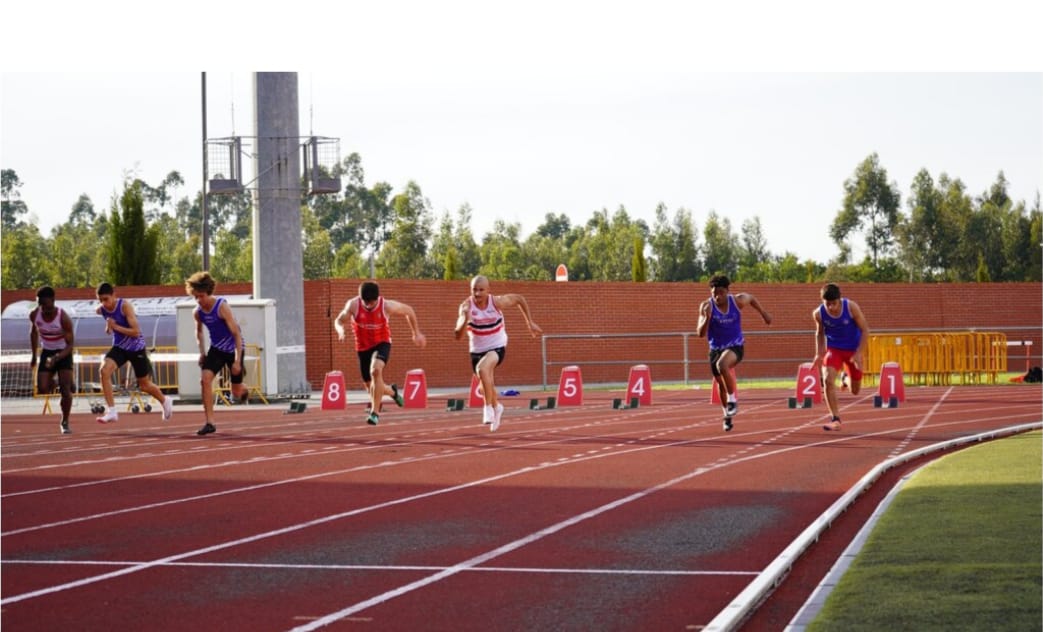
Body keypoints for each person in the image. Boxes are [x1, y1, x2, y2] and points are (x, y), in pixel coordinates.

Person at [454, 275, 542, 432]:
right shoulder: (466, 307)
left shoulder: (496, 302)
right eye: (474, 290)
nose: (478, 294)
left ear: (488, 290)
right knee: (484, 387)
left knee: (482, 369)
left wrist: (529, 322)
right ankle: (497, 406)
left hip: (497, 346)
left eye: (481, 290)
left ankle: (487, 408)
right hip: (476, 351)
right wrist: (465, 319)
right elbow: (458, 335)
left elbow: (519, 299)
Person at [334, 281, 427, 425]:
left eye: (372, 302)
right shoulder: (353, 305)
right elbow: (339, 320)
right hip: (362, 347)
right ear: (361, 299)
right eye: (366, 302)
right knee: (370, 386)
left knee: (375, 370)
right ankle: (392, 392)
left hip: (382, 343)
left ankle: (375, 413)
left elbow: (409, 310)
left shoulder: (387, 306)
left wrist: (416, 333)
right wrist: (340, 330)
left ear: (377, 298)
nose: (369, 305)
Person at [696, 274, 772, 431]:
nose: (717, 296)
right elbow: (700, 333)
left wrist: (763, 313)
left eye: (721, 293)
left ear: (727, 291)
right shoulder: (706, 306)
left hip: (735, 346)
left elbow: (751, 298)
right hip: (715, 348)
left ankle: (732, 400)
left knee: (722, 365)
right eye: (714, 293)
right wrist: (707, 317)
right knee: (720, 384)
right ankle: (727, 415)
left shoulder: (737, 301)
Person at [94, 282, 173, 424]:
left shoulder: (124, 306)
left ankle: (164, 400)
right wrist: (109, 326)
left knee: (144, 385)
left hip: (136, 348)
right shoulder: (101, 310)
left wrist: (115, 326)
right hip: (120, 347)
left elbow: (136, 332)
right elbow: (109, 329)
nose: (104, 303)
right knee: (104, 371)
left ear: (114, 295)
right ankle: (112, 411)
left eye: (106, 299)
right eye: (100, 300)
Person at [185, 271, 248, 436]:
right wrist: (202, 352)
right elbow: (199, 332)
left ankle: (243, 387)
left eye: (201, 296)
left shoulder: (221, 307)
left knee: (236, 392)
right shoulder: (197, 312)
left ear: (208, 292)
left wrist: (237, 361)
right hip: (217, 349)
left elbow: (237, 334)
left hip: (234, 348)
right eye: (196, 297)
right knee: (204, 380)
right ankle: (210, 422)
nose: (199, 300)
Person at [812, 282, 870, 431]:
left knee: (855, 390)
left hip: (853, 350)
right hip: (834, 349)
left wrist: (859, 353)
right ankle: (835, 418)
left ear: (839, 300)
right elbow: (820, 333)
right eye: (827, 304)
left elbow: (865, 330)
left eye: (834, 303)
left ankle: (845, 378)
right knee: (827, 380)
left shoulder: (851, 307)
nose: (831, 307)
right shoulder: (818, 314)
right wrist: (819, 353)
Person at [29, 286, 76, 435]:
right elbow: (33, 333)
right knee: (43, 388)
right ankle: (59, 383)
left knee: (66, 391)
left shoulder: (63, 318)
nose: (43, 309)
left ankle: (65, 421)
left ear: (53, 300)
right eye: (40, 305)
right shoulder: (35, 315)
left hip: (63, 352)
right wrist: (34, 355)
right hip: (47, 351)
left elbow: (70, 345)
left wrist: (56, 358)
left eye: (46, 305)